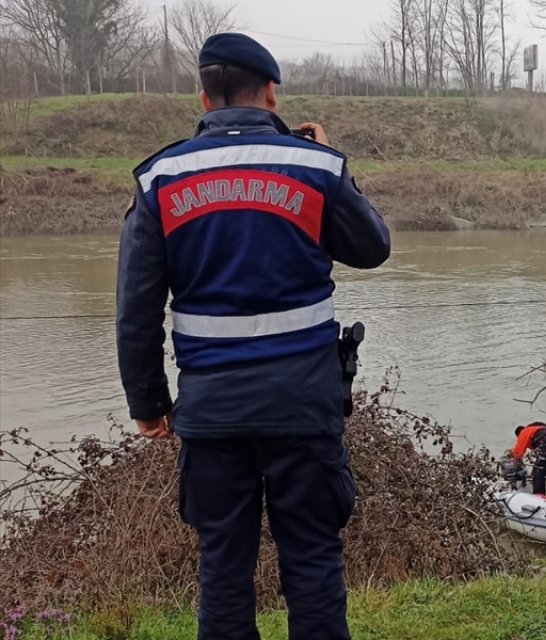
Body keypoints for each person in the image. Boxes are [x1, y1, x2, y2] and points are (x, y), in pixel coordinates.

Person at [115, 33, 390, 640]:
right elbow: (373, 250)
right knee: (314, 562)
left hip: (213, 413)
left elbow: (136, 308)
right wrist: (336, 167)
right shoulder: (316, 165)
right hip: (304, 405)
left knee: (223, 568)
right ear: (271, 93)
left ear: (203, 96)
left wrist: (149, 405)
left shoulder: (160, 177)